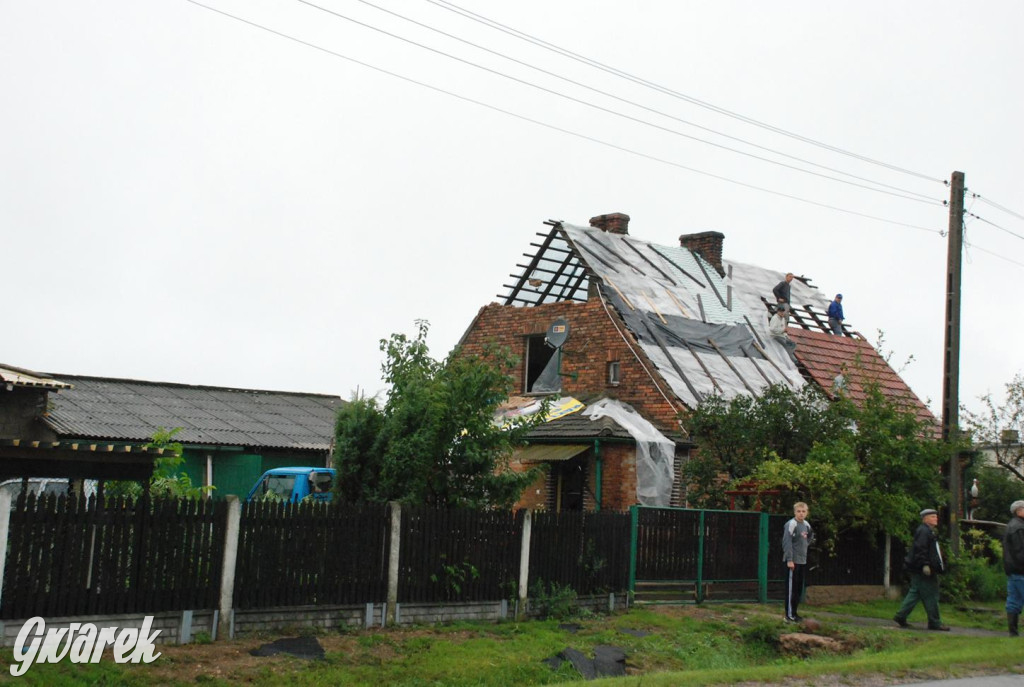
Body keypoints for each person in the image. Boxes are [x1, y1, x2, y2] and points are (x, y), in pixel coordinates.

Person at [893, 509, 949, 631]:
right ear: (925, 518)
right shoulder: (924, 531)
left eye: (936, 516)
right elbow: (921, 549)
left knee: (915, 593)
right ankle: (935, 622)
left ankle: (901, 616)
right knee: (931, 595)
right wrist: (925, 565)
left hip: (919, 569)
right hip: (923, 569)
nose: (936, 518)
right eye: (933, 516)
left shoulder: (927, 531)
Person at [782, 501, 814, 622]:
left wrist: (806, 544)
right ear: (795, 512)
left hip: (802, 561)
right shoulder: (791, 524)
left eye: (803, 511)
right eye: (798, 511)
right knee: (791, 589)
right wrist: (789, 559)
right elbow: (787, 542)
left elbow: (811, 536)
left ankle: (795, 613)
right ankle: (789, 615)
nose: (801, 514)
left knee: (798, 589)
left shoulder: (806, 524)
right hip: (792, 561)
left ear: (807, 512)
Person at [1003, 499, 1024, 636]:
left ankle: (1013, 631)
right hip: (1021, 569)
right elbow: (1020, 550)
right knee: (1015, 599)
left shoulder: (1011, 525)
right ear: (1019, 511)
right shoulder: (1019, 527)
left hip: (1012, 569)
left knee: (1014, 600)